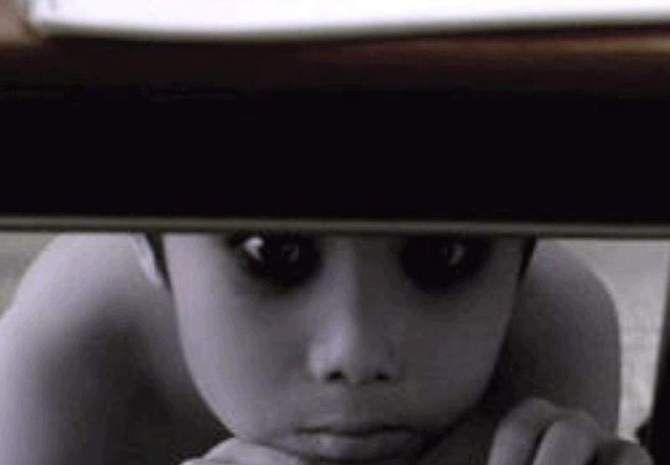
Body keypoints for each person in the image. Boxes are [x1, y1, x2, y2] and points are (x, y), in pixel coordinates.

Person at [0, 232, 651, 465]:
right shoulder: (70, 348)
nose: (356, 354)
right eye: (275, 253)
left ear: (523, 251)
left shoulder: (550, 325)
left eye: (443, 254)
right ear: (149, 241)